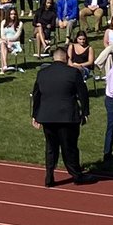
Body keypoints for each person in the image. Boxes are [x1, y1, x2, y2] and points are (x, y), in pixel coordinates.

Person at [30, 46, 92, 187]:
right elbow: (83, 94)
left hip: (47, 116)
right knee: (69, 147)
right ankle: (76, 175)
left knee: (51, 147)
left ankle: (49, 176)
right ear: (65, 58)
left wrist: (35, 115)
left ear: (54, 58)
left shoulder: (42, 73)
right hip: (67, 116)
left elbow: (36, 95)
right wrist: (85, 112)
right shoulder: (73, 73)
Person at [0, 8, 25, 74]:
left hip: (15, 43)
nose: (13, 15)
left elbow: (17, 36)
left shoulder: (20, 23)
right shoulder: (3, 22)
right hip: (4, 42)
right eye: (11, 14)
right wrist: (5, 40)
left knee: (2, 44)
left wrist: (7, 40)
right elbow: (2, 34)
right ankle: (5, 65)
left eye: (14, 14)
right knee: (2, 44)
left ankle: (3, 68)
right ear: (8, 15)